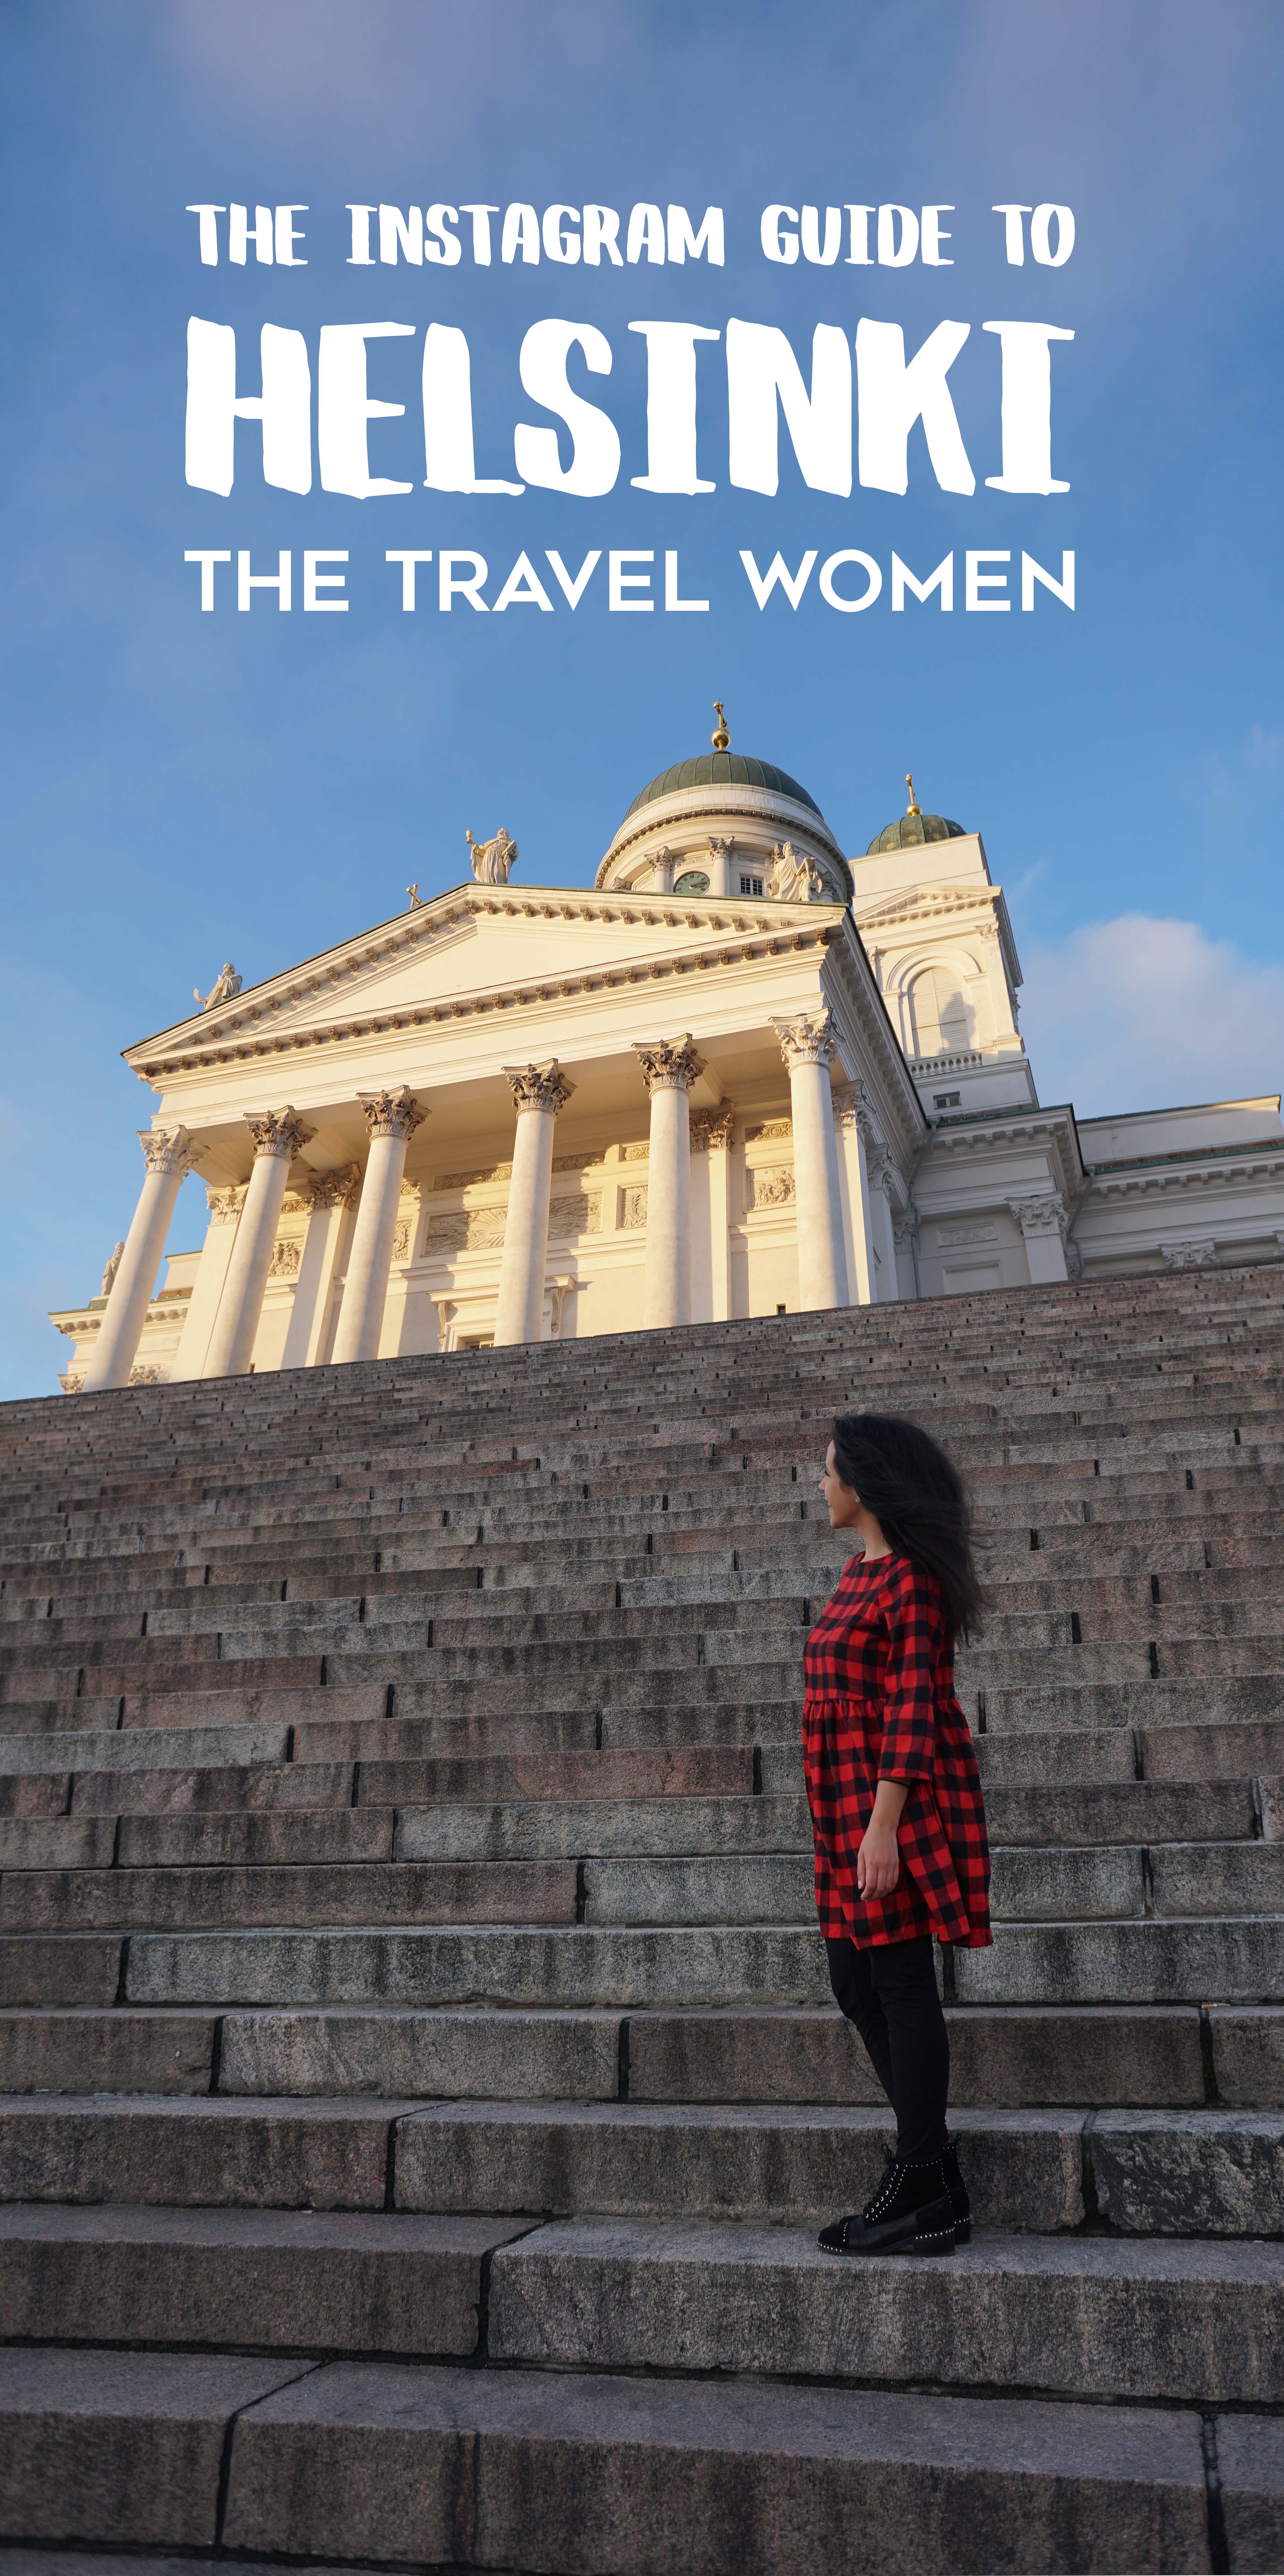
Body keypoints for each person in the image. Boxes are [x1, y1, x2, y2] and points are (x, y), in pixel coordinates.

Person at [804, 1411, 991, 2257]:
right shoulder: (853, 1577)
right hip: (841, 1806)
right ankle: (935, 2165)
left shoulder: (910, 1583)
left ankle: (923, 2175)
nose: (820, 1481)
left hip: (892, 1808)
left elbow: (916, 1705)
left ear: (864, 1483)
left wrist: (883, 1829)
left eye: (829, 1468)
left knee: (900, 1977)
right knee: (854, 1982)